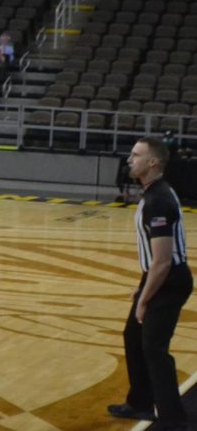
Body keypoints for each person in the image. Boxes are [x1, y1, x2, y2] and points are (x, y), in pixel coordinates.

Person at [108, 137, 192, 430]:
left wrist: (144, 299)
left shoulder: (159, 200)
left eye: (136, 155)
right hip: (158, 275)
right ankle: (140, 402)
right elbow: (156, 262)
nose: (130, 159)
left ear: (153, 163)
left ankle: (173, 419)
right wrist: (142, 284)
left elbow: (164, 261)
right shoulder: (153, 193)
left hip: (170, 280)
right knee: (133, 337)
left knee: (154, 348)